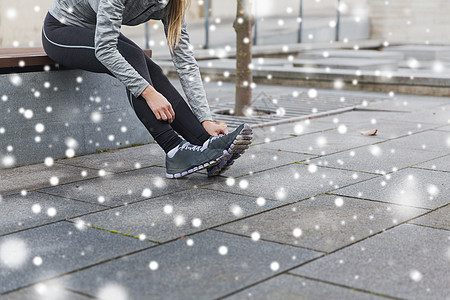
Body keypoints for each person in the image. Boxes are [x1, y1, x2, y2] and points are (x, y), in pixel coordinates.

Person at [41, 0, 252, 178]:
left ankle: (206, 143)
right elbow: (105, 50)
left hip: (93, 29)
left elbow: (185, 61)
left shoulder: (172, 3)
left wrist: (205, 120)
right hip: (61, 29)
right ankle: (174, 151)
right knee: (131, 58)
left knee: (148, 66)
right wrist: (149, 93)